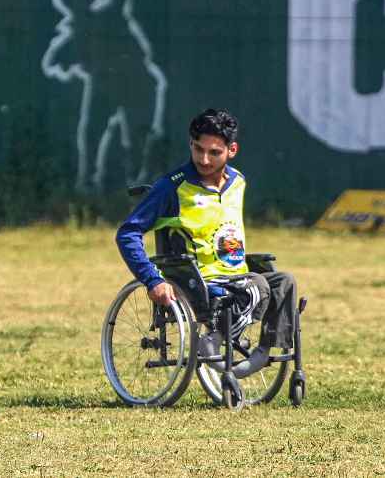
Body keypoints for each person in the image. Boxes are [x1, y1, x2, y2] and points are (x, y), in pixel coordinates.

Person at [115, 108, 297, 378]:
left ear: (231, 150)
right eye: (198, 149)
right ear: (191, 144)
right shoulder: (172, 187)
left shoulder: (238, 183)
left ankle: (263, 352)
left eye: (214, 153)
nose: (204, 159)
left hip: (236, 277)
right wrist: (152, 280)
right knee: (257, 286)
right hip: (197, 281)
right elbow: (127, 233)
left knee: (283, 281)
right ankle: (212, 340)